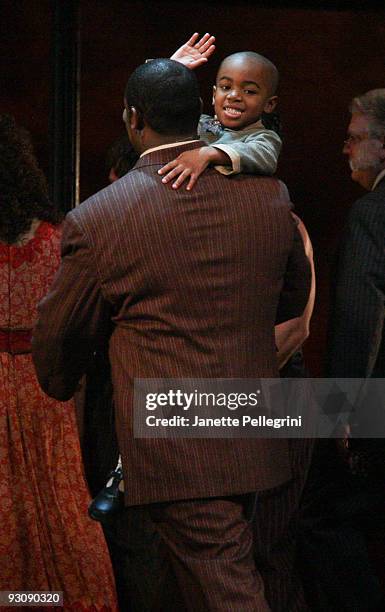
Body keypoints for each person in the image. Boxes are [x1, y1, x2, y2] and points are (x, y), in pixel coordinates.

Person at [33, 59, 310, 610]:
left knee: (224, 590)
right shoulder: (271, 198)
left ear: (134, 119)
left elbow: (58, 343)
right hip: (249, 429)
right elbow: (290, 300)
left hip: (178, 446)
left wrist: (72, 374)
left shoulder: (101, 218)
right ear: (202, 110)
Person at [0, 114, 118, 610]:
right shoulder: (60, 239)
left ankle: (23, 601)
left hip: (21, 387)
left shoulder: (64, 238)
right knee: (58, 501)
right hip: (48, 386)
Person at [299, 90, 385, 612]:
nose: (345, 150)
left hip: (374, 408)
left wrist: (340, 416)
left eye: (354, 138)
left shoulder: (369, 215)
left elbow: (360, 320)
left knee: (321, 519)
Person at [158, 34, 282, 190]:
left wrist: (207, 154)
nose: (234, 96)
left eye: (249, 91)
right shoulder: (201, 123)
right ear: (214, 95)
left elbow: (263, 155)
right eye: (226, 87)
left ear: (269, 104)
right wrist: (169, 70)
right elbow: (159, 112)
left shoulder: (262, 137)